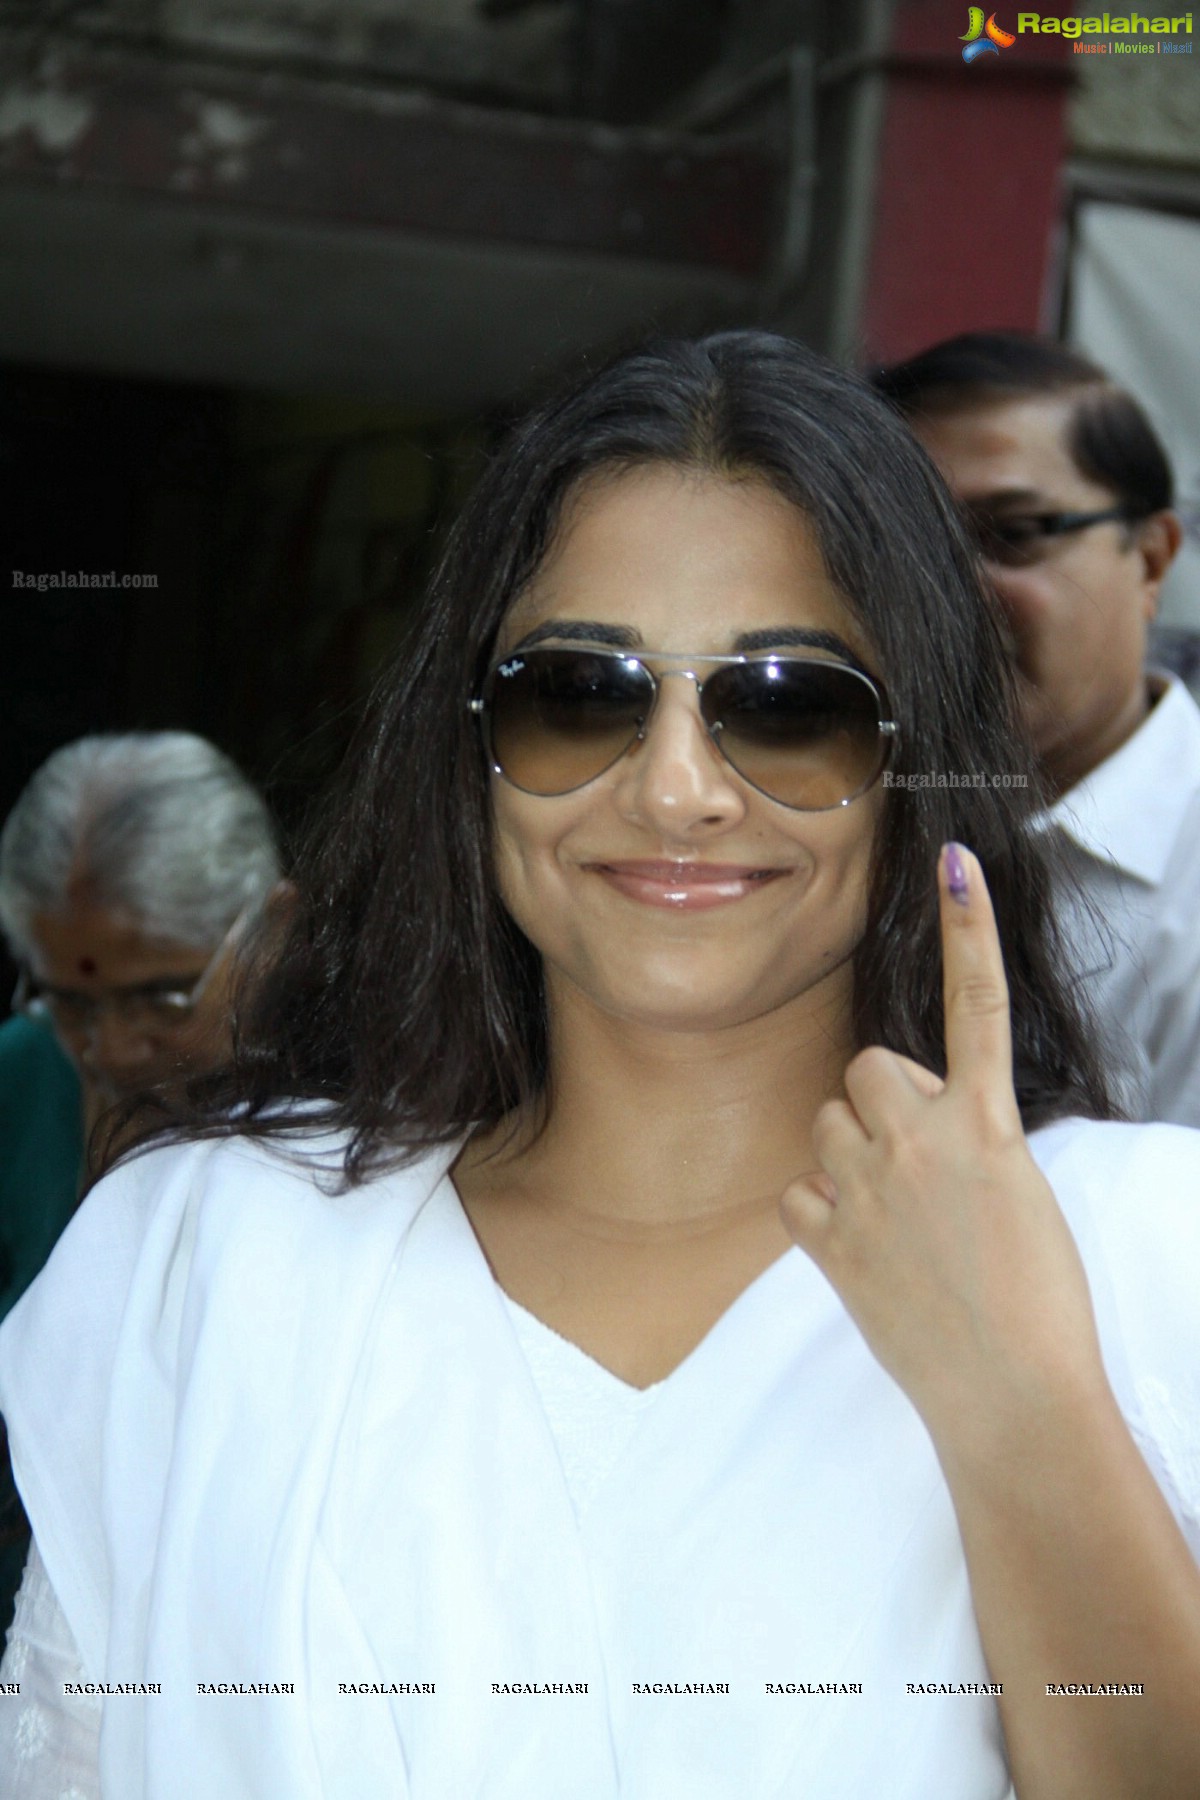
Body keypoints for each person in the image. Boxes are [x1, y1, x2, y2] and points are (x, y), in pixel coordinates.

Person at [1, 334, 1199, 1800]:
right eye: (580, 692)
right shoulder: (196, 1257)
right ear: (468, 749)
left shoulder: (1145, 1252)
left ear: (914, 754)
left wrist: (1025, 1401)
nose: (678, 787)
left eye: (785, 703)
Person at [872, 333, 1200, 1127]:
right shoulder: (850, 808)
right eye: (909, 548)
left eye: (1011, 535)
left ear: (1151, 560)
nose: (953, 595)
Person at [0, 732, 284, 1639]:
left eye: (162, 998)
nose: (112, 1050)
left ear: (274, 930)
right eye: (72, 1002)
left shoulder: (360, 1124)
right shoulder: (20, 1079)